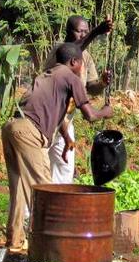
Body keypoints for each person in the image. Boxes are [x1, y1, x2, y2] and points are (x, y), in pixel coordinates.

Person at [2, 43, 113, 252]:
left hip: (12, 126)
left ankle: (15, 241)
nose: (83, 68)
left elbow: (55, 113)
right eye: (82, 63)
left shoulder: (49, 74)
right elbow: (90, 115)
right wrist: (106, 112)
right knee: (46, 191)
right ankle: (52, 247)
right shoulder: (72, 77)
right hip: (29, 133)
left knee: (19, 187)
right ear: (74, 62)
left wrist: (66, 138)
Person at [44, 15, 113, 183]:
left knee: (64, 170)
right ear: (68, 32)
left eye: (86, 32)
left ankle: (56, 206)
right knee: (41, 169)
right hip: (47, 119)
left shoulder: (86, 57)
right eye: (79, 31)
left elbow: (91, 88)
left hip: (65, 122)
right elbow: (90, 115)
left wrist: (102, 83)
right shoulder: (60, 51)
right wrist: (96, 32)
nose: (83, 35)